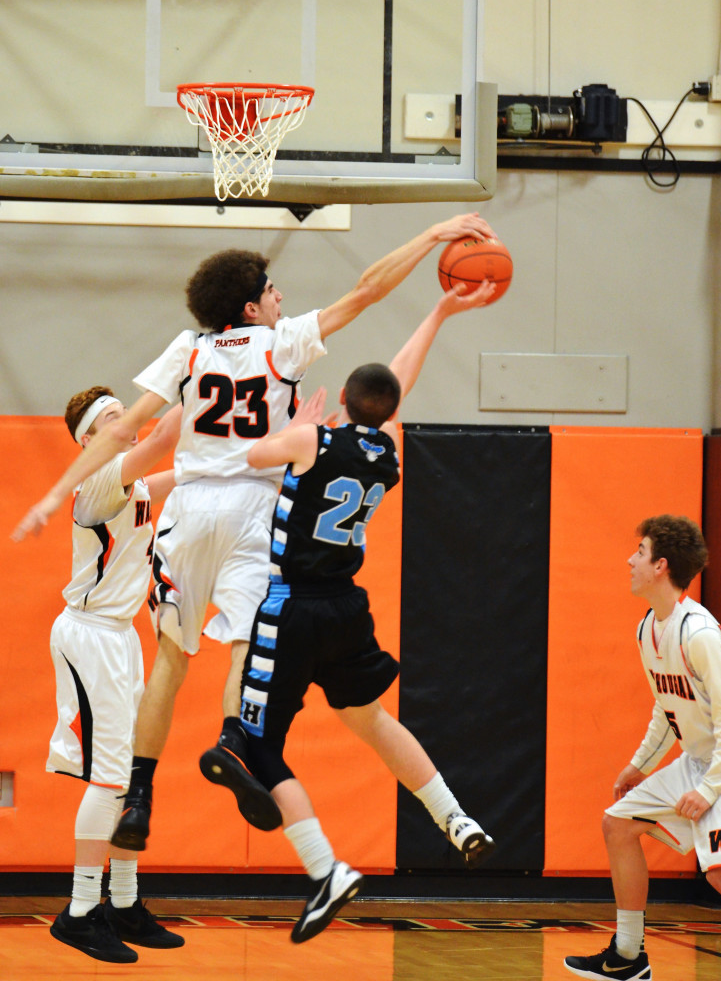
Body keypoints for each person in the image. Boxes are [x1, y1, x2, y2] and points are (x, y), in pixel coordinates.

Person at [12, 213, 495, 854]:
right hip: (255, 512)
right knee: (246, 639)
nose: (280, 297)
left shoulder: (188, 348)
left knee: (171, 660)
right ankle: (234, 740)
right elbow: (368, 290)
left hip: (189, 509)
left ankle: (139, 794)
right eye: (271, 290)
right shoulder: (284, 347)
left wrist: (54, 494)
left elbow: (126, 431)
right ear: (250, 305)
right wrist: (433, 235)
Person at [200, 280, 498, 944]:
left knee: (256, 748)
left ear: (341, 398)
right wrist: (439, 312)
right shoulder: (387, 451)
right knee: (372, 719)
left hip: (292, 607)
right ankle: (455, 818)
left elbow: (253, 454)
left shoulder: (313, 441)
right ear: (387, 411)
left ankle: (325, 869)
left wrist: (295, 428)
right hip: (347, 609)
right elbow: (399, 382)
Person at [45, 386, 183, 964]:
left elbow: (186, 473)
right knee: (109, 779)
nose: (126, 419)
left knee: (132, 776)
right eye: (112, 417)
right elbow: (166, 434)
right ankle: (79, 912)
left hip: (121, 636)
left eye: (123, 411)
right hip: (90, 635)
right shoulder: (99, 480)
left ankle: (123, 902)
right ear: (88, 441)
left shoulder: (136, 484)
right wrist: (212, 368)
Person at [564, 515, 721, 981]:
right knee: (618, 825)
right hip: (697, 761)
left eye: (639, 552)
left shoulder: (699, 635)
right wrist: (639, 765)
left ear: (661, 566)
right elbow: (666, 707)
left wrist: (710, 789)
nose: (629, 560)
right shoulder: (648, 629)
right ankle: (627, 956)